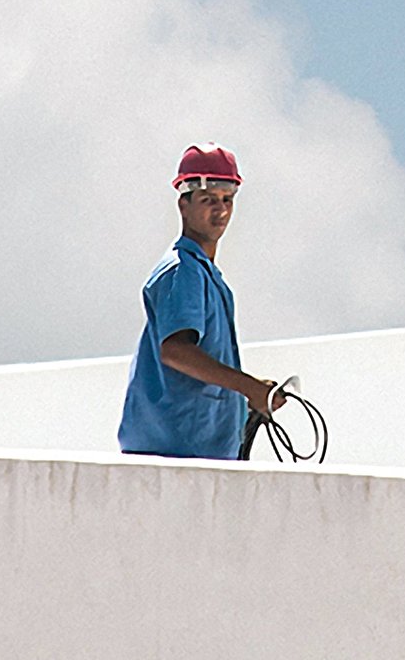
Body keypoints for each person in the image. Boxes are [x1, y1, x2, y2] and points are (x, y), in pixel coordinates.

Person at [116, 145, 285, 459]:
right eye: (208, 200)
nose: (220, 210)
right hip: (174, 453)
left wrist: (250, 390)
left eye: (227, 200)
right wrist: (249, 388)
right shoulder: (183, 270)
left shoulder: (204, 274)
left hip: (198, 451)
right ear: (184, 204)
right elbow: (176, 350)